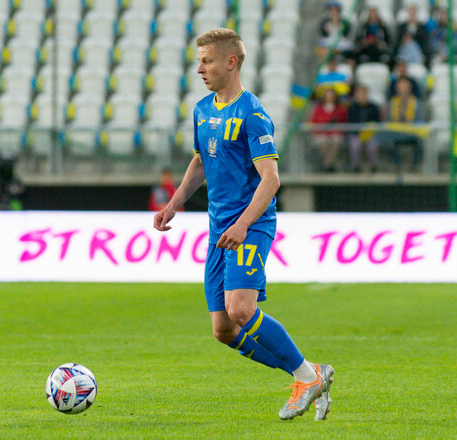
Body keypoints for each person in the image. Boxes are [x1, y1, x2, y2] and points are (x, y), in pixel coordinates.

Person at [153, 28, 335, 421]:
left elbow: (271, 179)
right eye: (199, 61)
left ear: (231, 62)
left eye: (207, 61)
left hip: (249, 226)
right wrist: (174, 204)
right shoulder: (204, 109)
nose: (199, 68)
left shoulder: (252, 113)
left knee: (240, 308)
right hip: (220, 230)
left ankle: (306, 377)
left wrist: (242, 224)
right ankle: (309, 373)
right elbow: (200, 161)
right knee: (223, 329)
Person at [378, 76, 424, 171]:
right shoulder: (391, 104)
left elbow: (420, 120)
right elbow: (388, 121)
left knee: (421, 141)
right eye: (401, 85)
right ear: (396, 87)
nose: (403, 88)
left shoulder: (417, 104)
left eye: (405, 85)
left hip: (412, 132)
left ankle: (415, 167)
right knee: (386, 139)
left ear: (410, 87)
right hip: (395, 133)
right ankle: (396, 167)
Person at [310, 88, 348, 172]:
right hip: (321, 133)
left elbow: (343, 123)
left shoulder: (340, 109)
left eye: (331, 95)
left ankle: (327, 165)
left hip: (335, 133)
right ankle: (329, 165)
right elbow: (314, 122)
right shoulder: (319, 109)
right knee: (322, 141)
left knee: (336, 140)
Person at [347, 84, 382, 172]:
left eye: (363, 93)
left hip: (370, 134)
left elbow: (377, 121)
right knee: (355, 145)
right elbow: (350, 122)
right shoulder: (352, 108)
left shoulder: (373, 107)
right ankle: (356, 167)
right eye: (359, 94)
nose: (361, 96)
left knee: (372, 145)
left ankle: (374, 166)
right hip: (356, 134)